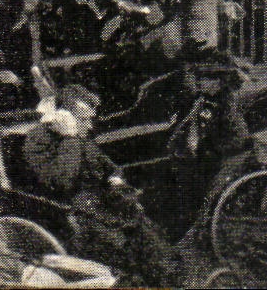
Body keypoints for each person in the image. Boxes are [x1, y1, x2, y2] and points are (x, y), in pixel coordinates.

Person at [20, 80, 186, 284]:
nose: (90, 125)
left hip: (102, 201)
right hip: (73, 209)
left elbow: (109, 166)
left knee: (151, 237)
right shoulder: (39, 142)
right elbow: (65, 181)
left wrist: (115, 177)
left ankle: (167, 276)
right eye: (85, 119)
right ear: (66, 118)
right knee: (126, 249)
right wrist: (70, 138)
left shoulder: (81, 134)